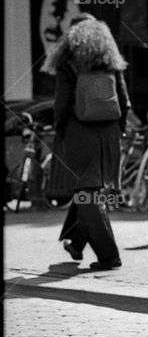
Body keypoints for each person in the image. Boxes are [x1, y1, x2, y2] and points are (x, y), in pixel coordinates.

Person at [43, 17, 131, 270]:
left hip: (79, 132)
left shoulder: (67, 62)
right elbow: (123, 101)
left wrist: (60, 130)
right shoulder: (110, 61)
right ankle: (75, 240)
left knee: (86, 193)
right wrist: (119, 130)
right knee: (90, 191)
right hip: (110, 132)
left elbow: (61, 103)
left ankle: (109, 256)